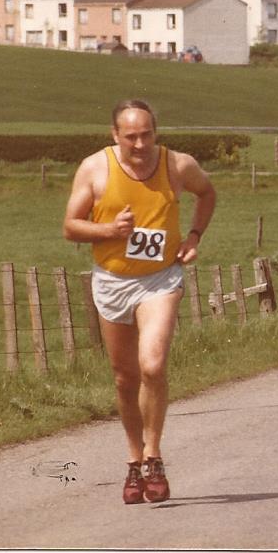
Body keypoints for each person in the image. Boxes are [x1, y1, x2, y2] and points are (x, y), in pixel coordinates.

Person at [63, 99, 216, 504]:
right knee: (125, 378)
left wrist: (194, 237)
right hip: (112, 281)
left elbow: (207, 193)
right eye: (130, 136)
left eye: (147, 134)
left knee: (153, 365)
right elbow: (70, 226)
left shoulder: (177, 165)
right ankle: (134, 462)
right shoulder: (95, 168)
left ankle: (154, 455)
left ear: (156, 132)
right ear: (115, 135)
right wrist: (109, 229)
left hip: (160, 280)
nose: (140, 143)